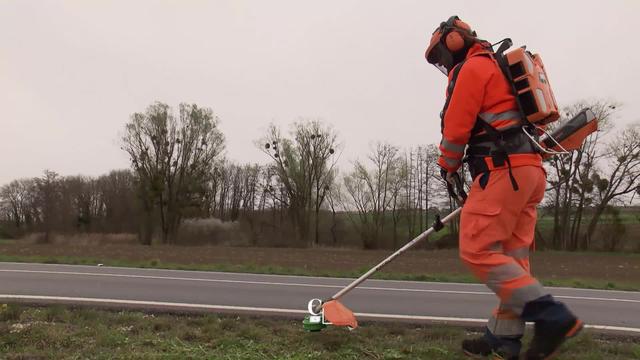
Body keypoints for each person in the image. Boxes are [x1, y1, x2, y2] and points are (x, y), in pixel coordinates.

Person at [424, 16, 583, 360]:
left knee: (477, 248)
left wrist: (447, 166)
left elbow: (455, 128)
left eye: (440, 55)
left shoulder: (472, 69)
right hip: (528, 172)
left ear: (454, 42)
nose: (442, 63)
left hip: (501, 172)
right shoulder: (498, 69)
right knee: (513, 258)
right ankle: (504, 338)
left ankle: (551, 315)